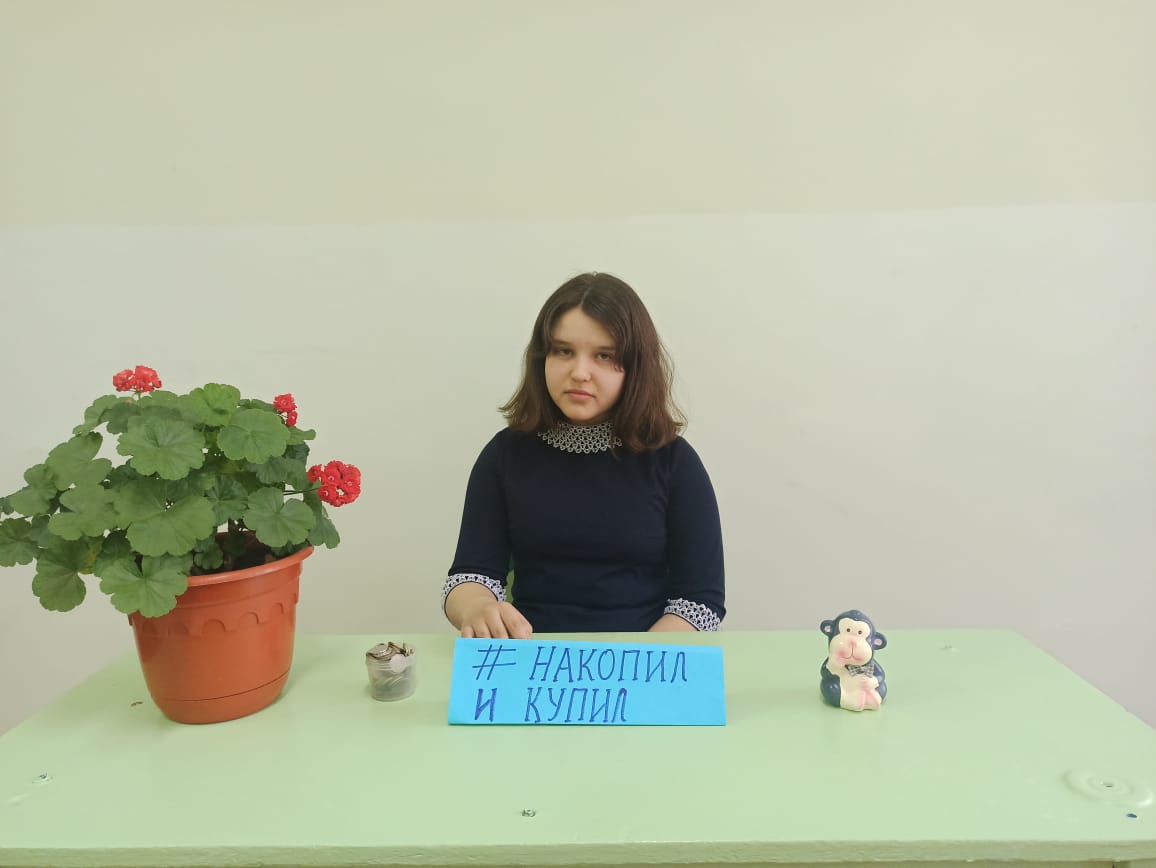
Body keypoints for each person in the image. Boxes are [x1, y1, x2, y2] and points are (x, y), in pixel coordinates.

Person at [442, 272, 725, 638]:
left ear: (636, 367)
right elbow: (469, 577)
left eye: (604, 356)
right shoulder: (503, 455)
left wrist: (637, 660)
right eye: (563, 351)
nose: (580, 373)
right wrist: (477, 607)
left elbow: (700, 602)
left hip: (644, 655)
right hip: (532, 655)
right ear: (541, 357)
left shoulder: (675, 462)